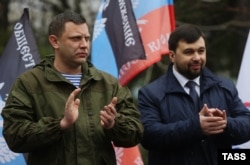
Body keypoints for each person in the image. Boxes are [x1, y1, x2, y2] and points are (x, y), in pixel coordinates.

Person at [1, 11, 143, 165]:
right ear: (55, 41)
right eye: (76, 39)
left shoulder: (108, 84)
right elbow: (14, 136)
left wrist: (114, 125)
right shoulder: (29, 82)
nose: (84, 45)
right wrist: (60, 125)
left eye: (87, 39)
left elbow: (135, 132)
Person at [137, 24, 250, 165]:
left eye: (201, 51)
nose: (197, 58)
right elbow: (148, 136)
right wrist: (196, 127)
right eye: (189, 52)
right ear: (172, 55)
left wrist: (224, 124)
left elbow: (247, 124)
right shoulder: (151, 93)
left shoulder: (224, 87)